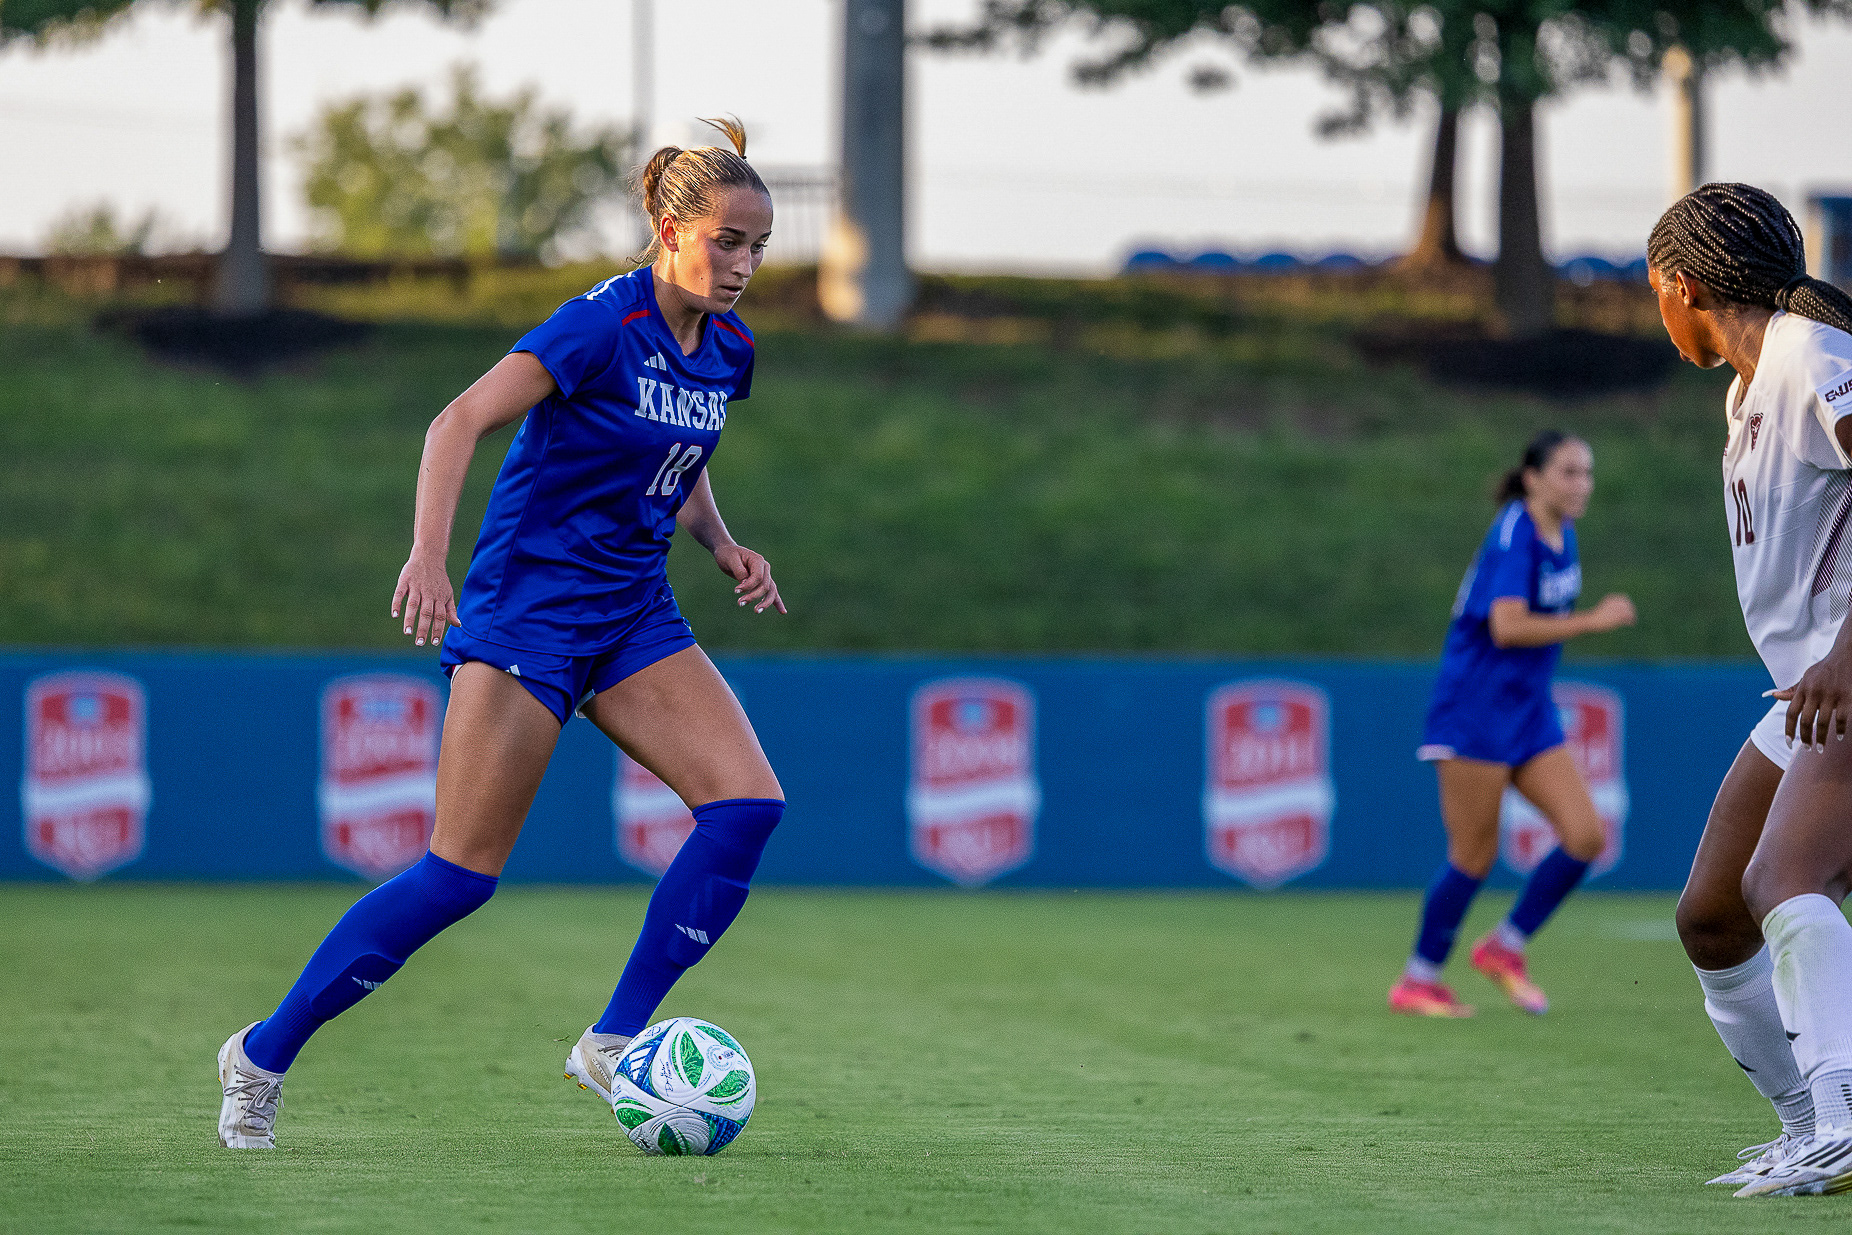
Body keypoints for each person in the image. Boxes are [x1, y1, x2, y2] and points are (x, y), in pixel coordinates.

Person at [217, 118, 786, 1148]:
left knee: (746, 807)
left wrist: (723, 544)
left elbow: (679, 449)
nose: (743, 263)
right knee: (458, 876)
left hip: (632, 612)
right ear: (668, 228)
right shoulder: (596, 326)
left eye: (758, 245)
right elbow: (456, 421)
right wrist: (428, 556)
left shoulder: (727, 346)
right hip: (528, 617)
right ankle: (262, 1051)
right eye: (727, 240)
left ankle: (612, 1039)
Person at [1643, 183, 1852, 1198]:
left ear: (1680, 286)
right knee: (1713, 915)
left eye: (1654, 292)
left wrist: (1844, 657)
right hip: (1805, 687)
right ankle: (1809, 1123)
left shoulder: (1813, 358)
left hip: (1841, 679)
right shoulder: (1749, 388)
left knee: (1786, 881)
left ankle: (1845, 1116)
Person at [1389, 431, 1637, 1018]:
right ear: (1533, 478)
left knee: (1585, 837)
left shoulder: (1563, 532)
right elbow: (1507, 627)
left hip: (1527, 711)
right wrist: (1593, 622)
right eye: (1568, 472)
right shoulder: (1515, 534)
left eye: (1587, 472)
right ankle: (1418, 980)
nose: (1581, 485)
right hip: (1474, 708)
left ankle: (1504, 946)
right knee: (1474, 855)